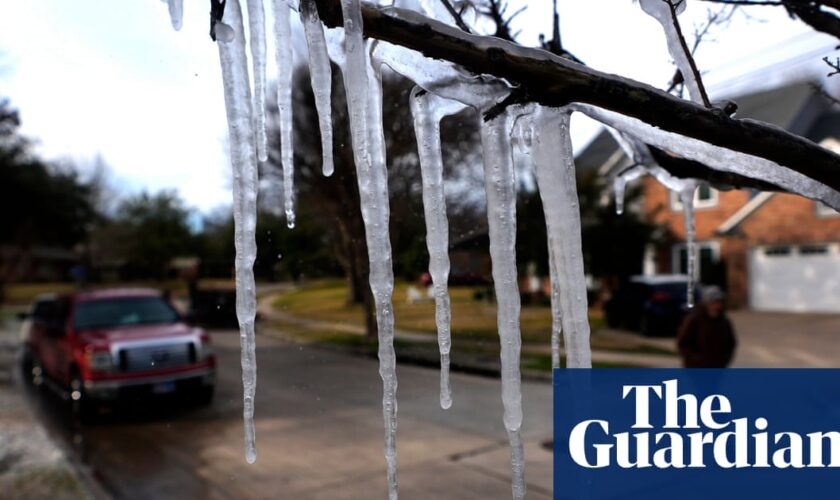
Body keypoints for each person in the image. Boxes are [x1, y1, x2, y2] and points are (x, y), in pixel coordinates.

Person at [676, 286, 737, 368]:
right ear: (707, 303)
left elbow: (730, 343)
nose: (717, 306)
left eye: (720, 302)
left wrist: (724, 360)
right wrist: (693, 359)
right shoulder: (694, 320)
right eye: (714, 302)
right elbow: (683, 342)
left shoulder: (724, 322)